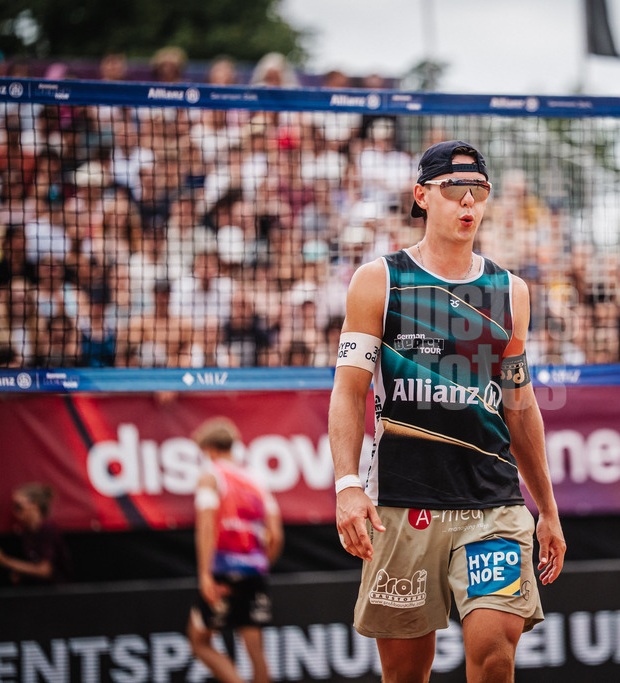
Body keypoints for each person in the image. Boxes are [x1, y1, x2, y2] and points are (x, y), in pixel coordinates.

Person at [329, 140, 566, 683]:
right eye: (453, 190)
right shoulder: (380, 280)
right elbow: (347, 393)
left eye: (478, 192)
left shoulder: (510, 291)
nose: (467, 203)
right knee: (406, 673)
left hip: (491, 504)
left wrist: (546, 508)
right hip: (404, 500)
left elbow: (520, 405)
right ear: (422, 196)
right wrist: (346, 483)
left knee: (494, 651)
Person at [187, 417, 283, 683]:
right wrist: (261, 564)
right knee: (255, 651)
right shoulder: (257, 480)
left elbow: (206, 526)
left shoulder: (211, 476)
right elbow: (275, 535)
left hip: (222, 573)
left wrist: (205, 574)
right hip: (254, 571)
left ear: (209, 450)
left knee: (200, 642)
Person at [0, 482, 73, 585]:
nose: (15, 511)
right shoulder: (27, 531)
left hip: (60, 594)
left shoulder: (48, 529)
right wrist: (22, 574)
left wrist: (4, 560)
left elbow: (45, 571)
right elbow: (35, 565)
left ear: (35, 506)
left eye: (18, 506)